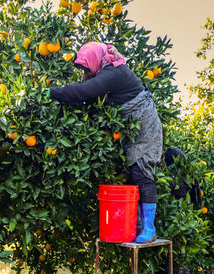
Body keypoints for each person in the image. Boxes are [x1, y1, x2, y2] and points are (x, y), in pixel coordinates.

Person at [48, 41, 163, 243]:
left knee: (141, 169)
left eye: (86, 69)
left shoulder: (115, 72)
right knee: (131, 172)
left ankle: (149, 228)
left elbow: (83, 92)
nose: (85, 74)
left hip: (144, 122)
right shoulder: (108, 70)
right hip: (132, 125)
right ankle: (136, 224)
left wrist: (51, 92)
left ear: (95, 60)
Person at [155, 147, 201, 274]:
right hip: (185, 234)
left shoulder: (172, 181)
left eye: (164, 159)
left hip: (171, 232)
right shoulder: (188, 179)